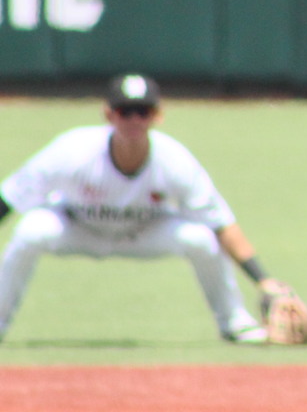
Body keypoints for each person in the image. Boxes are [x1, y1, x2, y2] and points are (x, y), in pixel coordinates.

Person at [0, 74, 287, 344]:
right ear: (108, 114)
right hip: (78, 227)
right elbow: (10, 198)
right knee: (30, 230)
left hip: (142, 233)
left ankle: (235, 323)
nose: (134, 120)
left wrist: (264, 280)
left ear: (157, 116)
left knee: (200, 239)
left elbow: (220, 223)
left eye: (143, 111)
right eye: (125, 111)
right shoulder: (72, 150)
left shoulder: (174, 160)